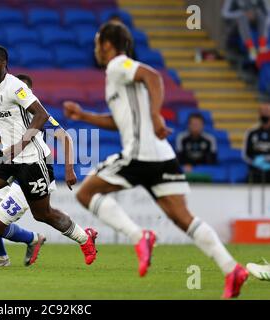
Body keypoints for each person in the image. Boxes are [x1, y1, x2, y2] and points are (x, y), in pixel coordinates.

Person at [63, 21, 248, 298]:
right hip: (162, 155)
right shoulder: (118, 77)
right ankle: (232, 269)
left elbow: (153, 77)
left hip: (140, 153)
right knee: (183, 218)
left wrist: (154, 114)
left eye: (97, 43)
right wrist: (84, 116)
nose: (95, 50)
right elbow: (121, 122)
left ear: (108, 45)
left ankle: (141, 237)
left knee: (86, 193)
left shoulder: (118, 65)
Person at [0, 45, 97, 266]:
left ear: (4, 65)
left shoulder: (16, 87)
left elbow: (42, 115)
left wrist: (21, 146)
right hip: (6, 157)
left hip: (31, 159)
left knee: (43, 214)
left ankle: (84, 238)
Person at [243, 103, 270, 183]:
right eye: (262, 111)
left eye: (267, 111)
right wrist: (256, 162)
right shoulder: (251, 132)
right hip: (256, 171)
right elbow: (245, 155)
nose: (264, 113)